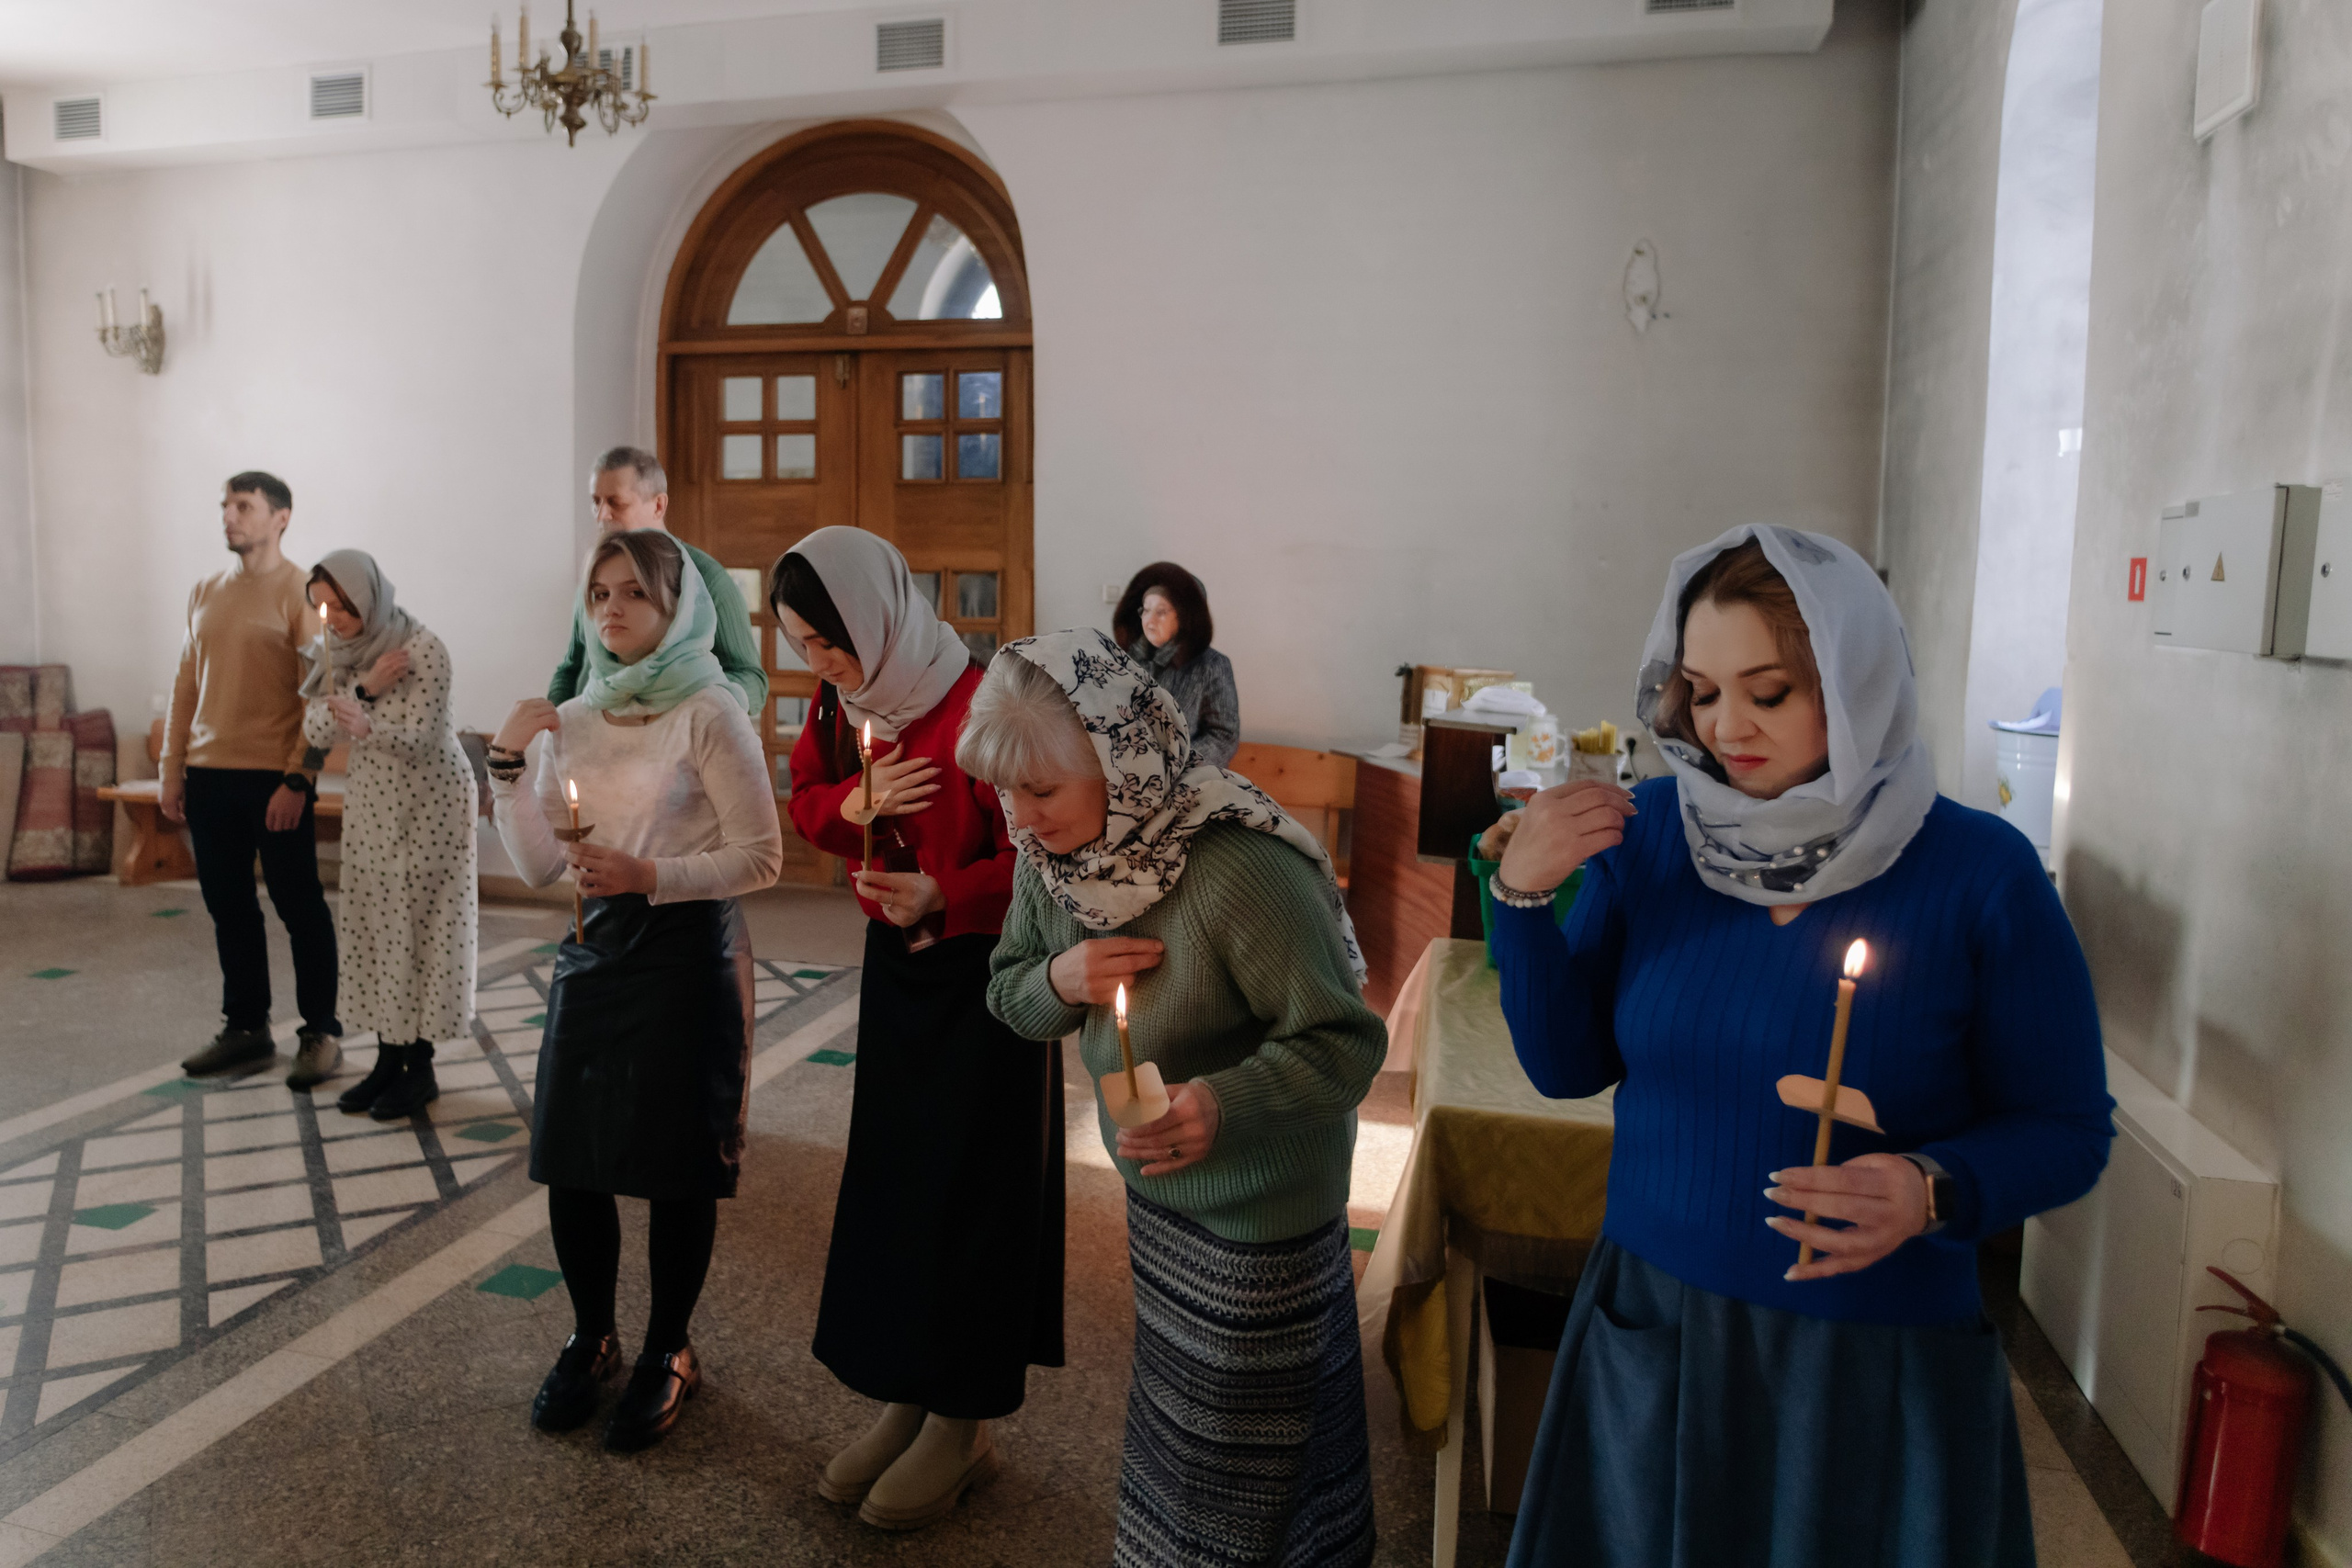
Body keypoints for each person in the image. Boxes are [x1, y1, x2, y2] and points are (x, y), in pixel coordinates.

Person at [1488, 527, 2115, 1568]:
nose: (1725, 726)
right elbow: (1566, 1067)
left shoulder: (1975, 873)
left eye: (1767, 692)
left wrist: (1930, 1187)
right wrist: (1522, 897)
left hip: (1870, 1358)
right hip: (1662, 1325)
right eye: (1699, 690)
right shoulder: (1651, 835)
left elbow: (2067, 1129)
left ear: (1853, 681)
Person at [972, 629, 1384, 1568]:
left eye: (1040, 792)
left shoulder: (1237, 865)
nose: (1021, 821)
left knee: (1240, 1462)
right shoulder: (1058, 865)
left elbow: (1345, 1045)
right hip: (1160, 1199)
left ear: (1122, 762)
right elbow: (1007, 992)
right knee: (1191, 1431)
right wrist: (1060, 980)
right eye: (1005, 793)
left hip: (1264, 1215)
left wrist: (1225, 1105)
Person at [772, 526, 1063, 1532]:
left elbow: (1043, 856)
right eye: (805, 644)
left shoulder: (982, 701)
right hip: (899, 969)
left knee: (970, 1192)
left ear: (876, 615)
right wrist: (852, 801)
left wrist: (949, 893)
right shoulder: (843, 702)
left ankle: (965, 1418)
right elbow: (808, 800)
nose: (819, 663)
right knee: (899, 1186)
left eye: (828, 640)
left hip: (988, 977)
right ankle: (908, 1389)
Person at [489, 528, 783, 1453]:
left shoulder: (709, 710)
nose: (611, 610)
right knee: (572, 1160)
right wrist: (505, 770)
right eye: (599, 594)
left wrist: (647, 873)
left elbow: (763, 857)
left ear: (676, 609)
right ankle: (591, 1334)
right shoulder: (574, 715)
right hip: (595, 953)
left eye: (633, 595)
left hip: (684, 953)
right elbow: (540, 865)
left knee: (672, 1168)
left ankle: (667, 1349)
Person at [161, 471, 342, 1088]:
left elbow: (321, 695)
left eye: (244, 506)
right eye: (225, 506)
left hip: (276, 778)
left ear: (281, 517)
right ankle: (246, 1027)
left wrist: (299, 777)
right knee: (229, 908)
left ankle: (321, 1030)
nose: (229, 517)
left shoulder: (302, 593)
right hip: (209, 775)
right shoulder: (205, 591)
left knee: (299, 906)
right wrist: (171, 768)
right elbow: (187, 684)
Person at [299, 550, 479, 1121]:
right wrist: (365, 692)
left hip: (430, 802)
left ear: (366, 597)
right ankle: (386, 1058)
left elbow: (423, 739)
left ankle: (418, 1068)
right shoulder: (340, 656)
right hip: (375, 802)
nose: (331, 617)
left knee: (421, 927)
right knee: (379, 925)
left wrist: (366, 717)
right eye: (320, 606)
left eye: (340, 605)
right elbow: (317, 729)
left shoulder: (424, 649)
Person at [547, 446, 767, 716]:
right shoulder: (595, 577)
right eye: (596, 501)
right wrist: (559, 723)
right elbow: (572, 667)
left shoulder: (706, 579)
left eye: (616, 502)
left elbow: (752, 680)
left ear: (659, 505)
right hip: (591, 737)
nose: (602, 515)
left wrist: (677, 706)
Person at [1111, 561, 1239, 768]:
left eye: (1161, 612)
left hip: (1186, 783)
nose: (1150, 621)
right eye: (1146, 610)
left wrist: (1172, 767)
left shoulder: (1212, 665)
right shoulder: (1123, 659)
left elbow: (1223, 736)